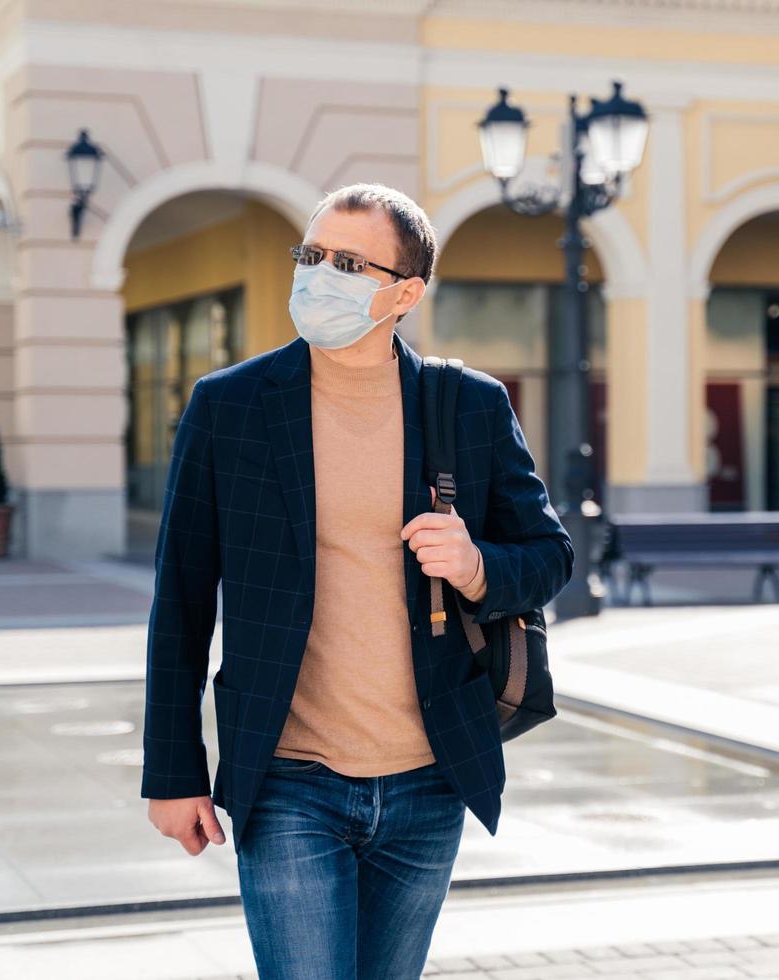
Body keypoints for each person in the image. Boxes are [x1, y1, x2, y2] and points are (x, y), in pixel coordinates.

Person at [141, 182, 574, 980]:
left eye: (345, 262)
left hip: (429, 781)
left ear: (404, 292)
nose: (317, 275)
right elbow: (182, 599)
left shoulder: (467, 405)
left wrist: (477, 565)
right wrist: (173, 774)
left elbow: (549, 556)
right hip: (287, 781)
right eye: (310, 255)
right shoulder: (228, 407)